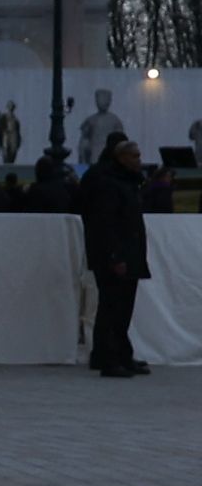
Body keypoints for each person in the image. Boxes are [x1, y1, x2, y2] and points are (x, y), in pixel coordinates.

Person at [77, 135, 151, 378]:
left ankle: (117, 354)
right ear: (121, 158)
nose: (139, 161)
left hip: (126, 253)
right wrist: (115, 256)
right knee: (113, 306)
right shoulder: (110, 184)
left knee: (120, 307)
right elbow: (106, 224)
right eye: (135, 156)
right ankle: (110, 358)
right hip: (117, 256)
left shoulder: (123, 181)